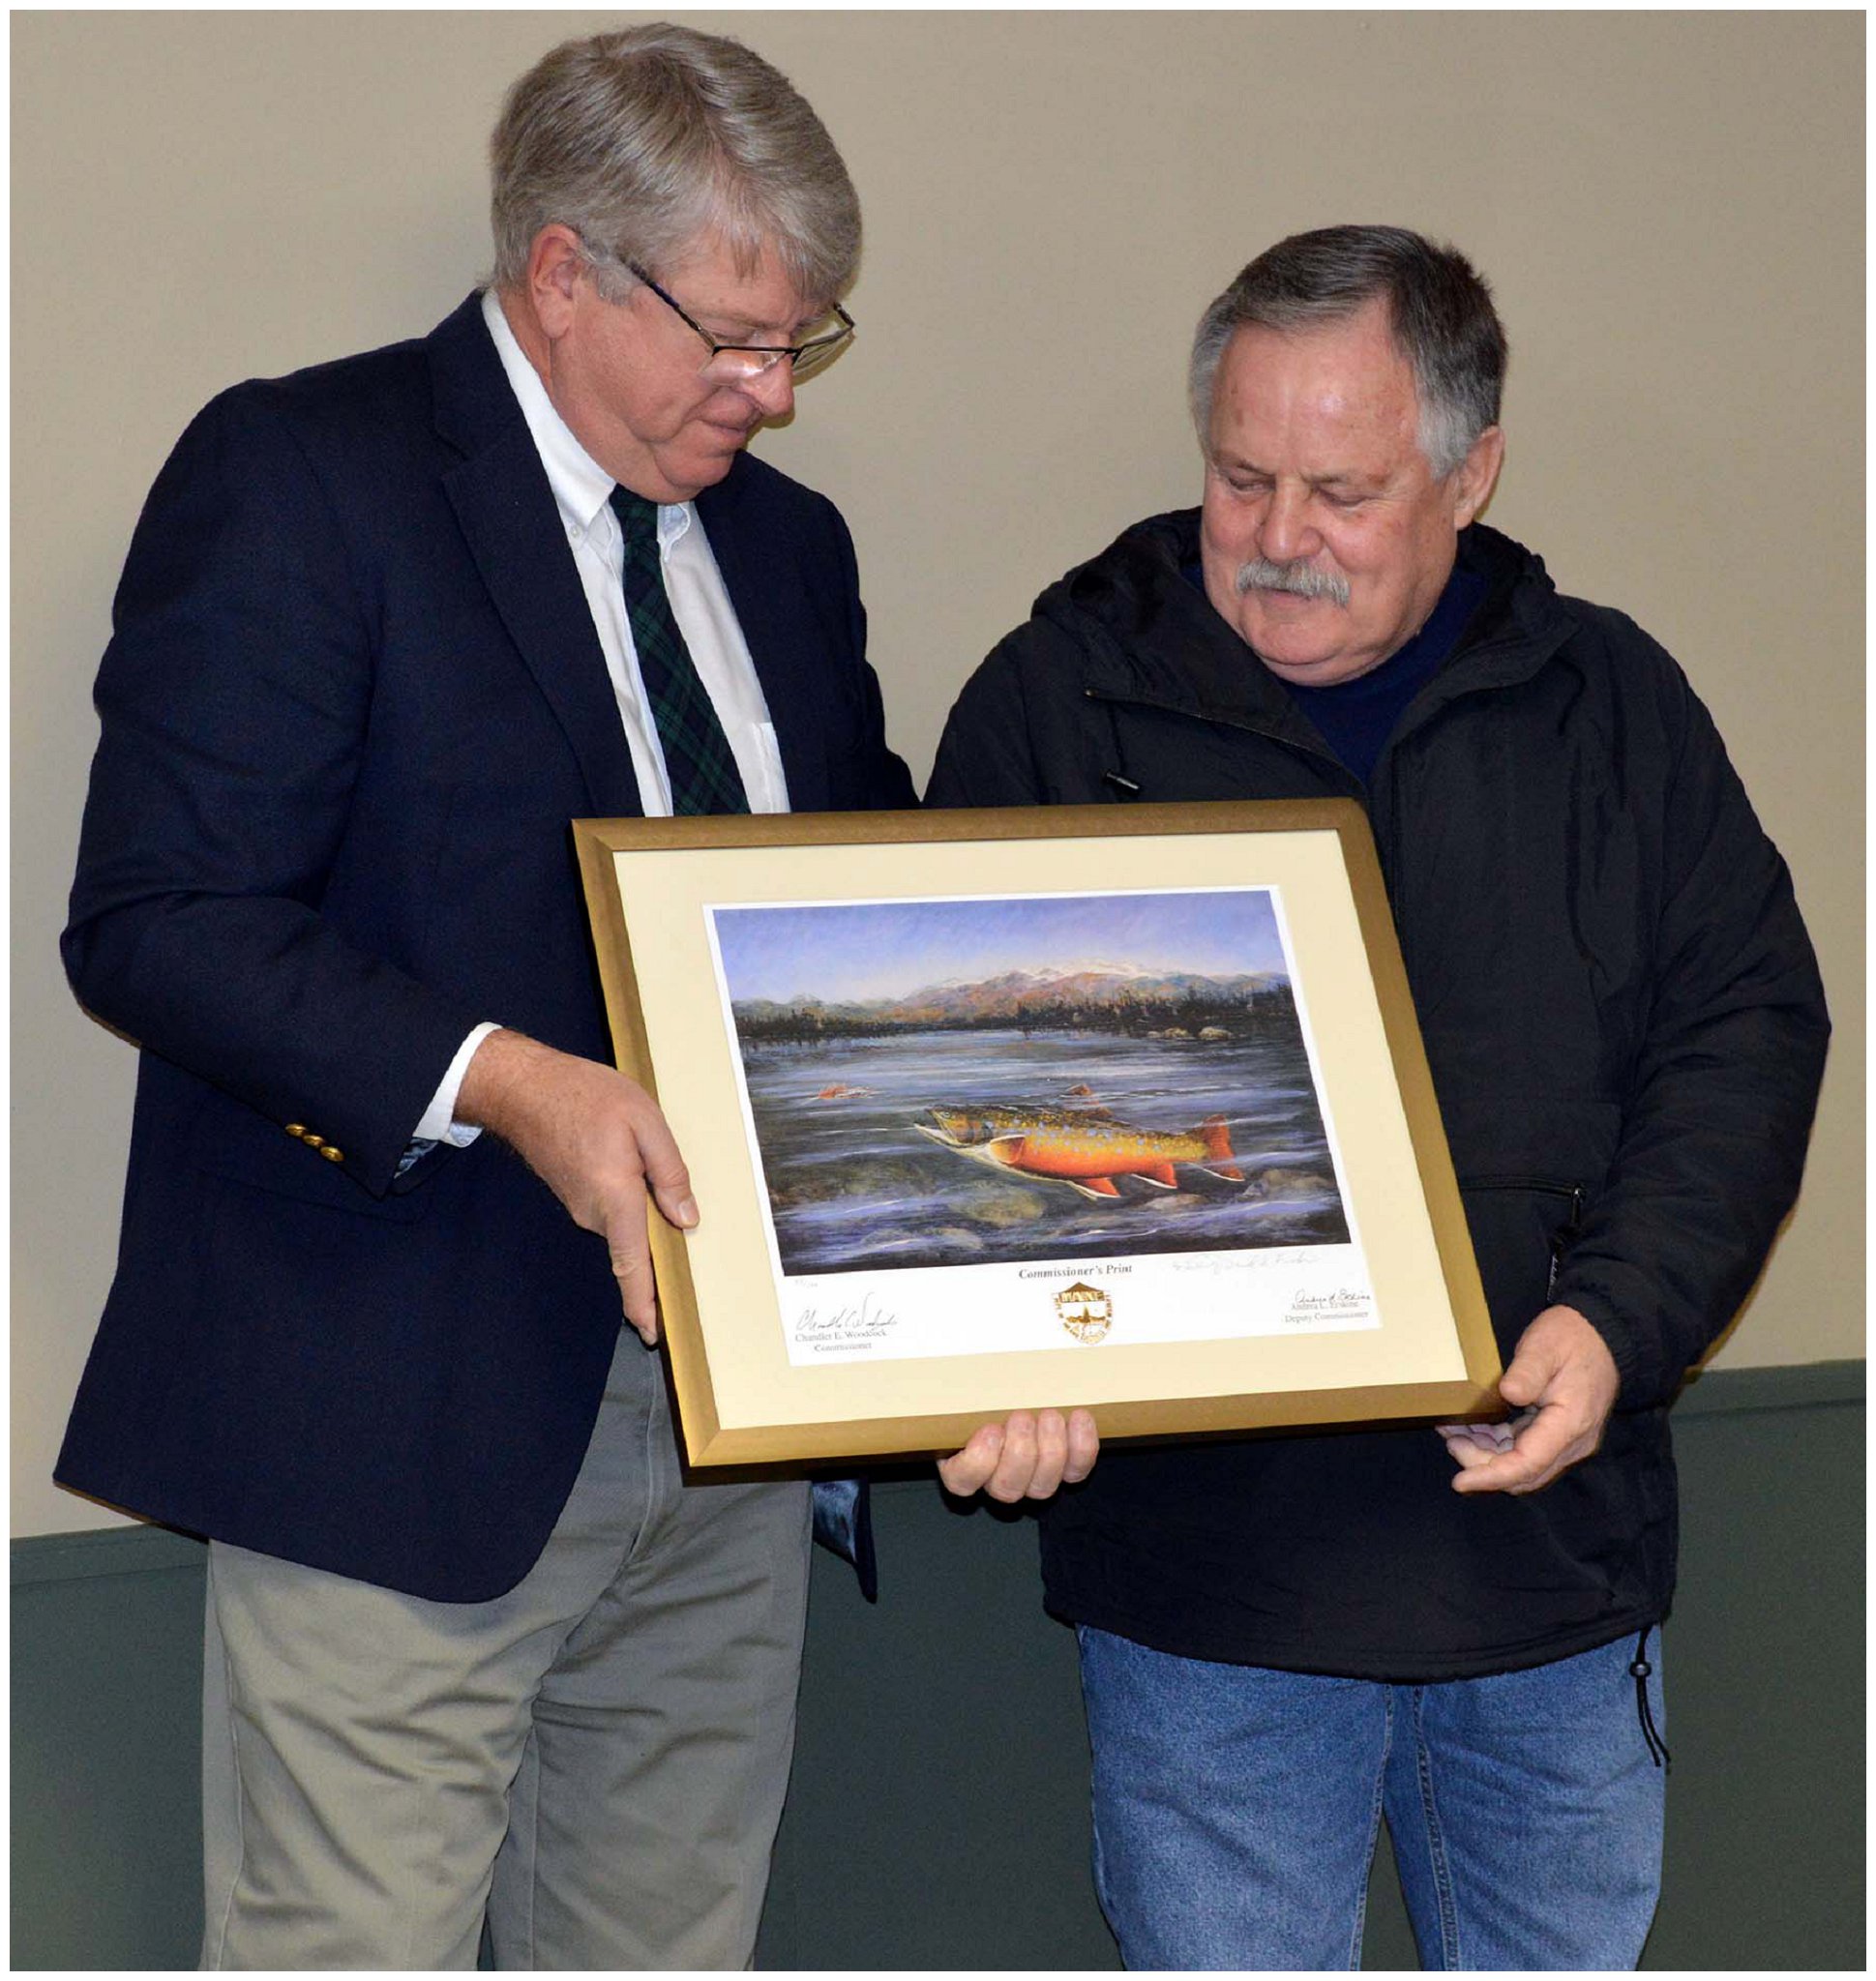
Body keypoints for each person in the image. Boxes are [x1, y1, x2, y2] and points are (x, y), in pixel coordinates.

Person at [54, 22, 1079, 1969]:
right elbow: (162, 918)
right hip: (390, 1421)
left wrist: (975, 1297)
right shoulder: (307, 477)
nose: (772, 394)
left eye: (806, 345)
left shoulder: (788, 552)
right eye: (735, 339)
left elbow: (848, 976)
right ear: (559, 272)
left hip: (729, 1449)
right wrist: (505, 1079)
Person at [927, 225, 1828, 1970]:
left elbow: (1746, 1031)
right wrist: (997, 1356)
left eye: (1339, 491)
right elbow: (964, 1097)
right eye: (1239, 476)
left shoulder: (1610, 707)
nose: (1277, 539)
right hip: (1213, 1604)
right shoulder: (1061, 699)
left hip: (1549, 1573)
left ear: (1470, 473)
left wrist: (1620, 1323)